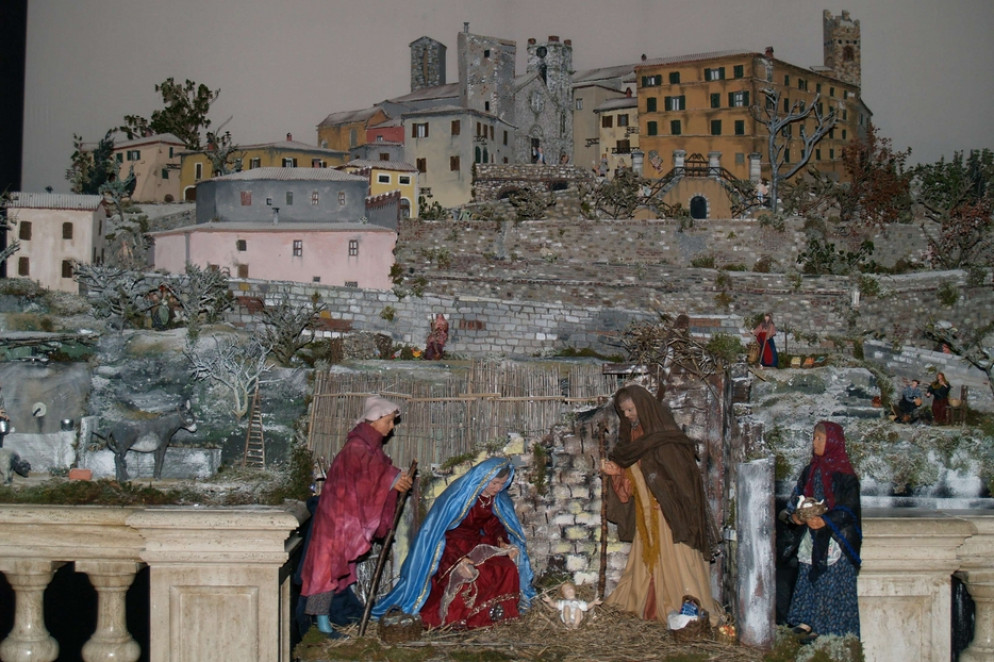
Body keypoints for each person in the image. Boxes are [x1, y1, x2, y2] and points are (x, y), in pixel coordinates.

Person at [600, 385, 721, 626]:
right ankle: (647, 605)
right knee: (647, 563)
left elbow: (680, 480)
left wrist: (666, 500)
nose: (627, 416)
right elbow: (634, 477)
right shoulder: (632, 439)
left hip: (669, 514)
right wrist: (617, 471)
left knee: (678, 563)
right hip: (646, 516)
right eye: (623, 411)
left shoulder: (667, 438)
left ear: (643, 407)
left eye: (630, 410)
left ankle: (685, 608)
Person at [372, 457, 536, 630]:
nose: (498, 488)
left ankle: (493, 615)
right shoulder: (460, 497)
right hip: (451, 545)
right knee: (471, 572)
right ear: (483, 479)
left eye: (502, 484)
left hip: (477, 544)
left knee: (506, 567)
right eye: (494, 483)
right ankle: (461, 617)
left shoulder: (497, 500)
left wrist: (503, 543)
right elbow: (440, 529)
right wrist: (459, 558)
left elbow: (494, 526)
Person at [300, 396, 414, 637]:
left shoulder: (369, 447)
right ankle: (322, 623)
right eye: (389, 421)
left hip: (346, 517)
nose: (391, 427)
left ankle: (341, 613)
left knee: (340, 569)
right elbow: (369, 476)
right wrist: (393, 479)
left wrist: (393, 479)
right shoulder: (357, 448)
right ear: (374, 420)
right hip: (336, 518)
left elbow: (376, 470)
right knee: (326, 570)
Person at [784, 421, 862, 641]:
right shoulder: (810, 471)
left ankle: (829, 630)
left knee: (831, 583)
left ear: (833, 442)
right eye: (814, 437)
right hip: (811, 538)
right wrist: (796, 516)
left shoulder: (845, 476)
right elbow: (794, 500)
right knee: (807, 576)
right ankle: (807, 620)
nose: (814, 442)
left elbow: (849, 508)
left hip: (835, 541)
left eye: (819, 438)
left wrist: (826, 520)